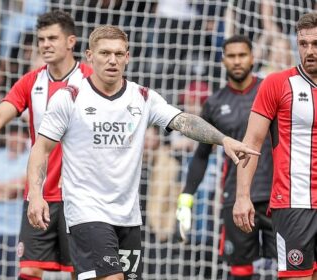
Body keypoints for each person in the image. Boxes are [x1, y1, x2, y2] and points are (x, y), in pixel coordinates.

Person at [26, 25, 260, 280]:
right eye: (104, 53)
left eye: (118, 53)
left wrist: (223, 139)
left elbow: (183, 121)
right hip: (86, 211)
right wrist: (35, 195)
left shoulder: (143, 97)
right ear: (89, 56)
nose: (112, 60)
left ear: (128, 56)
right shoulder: (69, 98)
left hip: (128, 216)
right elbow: (41, 148)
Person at [0, 10, 92, 280]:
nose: (45, 44)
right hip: (39, 194)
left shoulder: (91, 79)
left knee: (80, 273)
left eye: (52, 38)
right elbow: (1, 113)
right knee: (30, 269)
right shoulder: (31, 81)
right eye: (41, 39)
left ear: (71, 41)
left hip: (81, 195)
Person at [176, 35, 275, 280]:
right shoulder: (214, 103)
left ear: (252, 58)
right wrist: (187, 195)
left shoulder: (271, 90)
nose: (237, 61)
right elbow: (201, 155)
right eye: (231, 56)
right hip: (236, 199)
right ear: (223, 60)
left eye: (242, 55)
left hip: (278, 195)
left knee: (294, 268)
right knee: (240, 272)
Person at [233, 12, 317, 280]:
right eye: (303, 44)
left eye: (316, 44)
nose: (310, 51)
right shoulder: (276, 84)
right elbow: (251, 143)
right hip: (294, 204)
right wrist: (242, 196)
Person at [0, 124, 29, 279]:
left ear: (25, 137)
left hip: (17, 230)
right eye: (12, 134)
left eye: (19, 134)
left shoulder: (30, 157)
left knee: (16, 275)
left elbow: (22, 186)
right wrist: (9, 189)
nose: (15, 138)